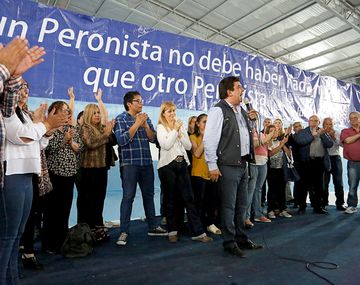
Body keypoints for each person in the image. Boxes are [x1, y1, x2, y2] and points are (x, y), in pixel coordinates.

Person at [0, 38, 63, 284]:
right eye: (19, 87)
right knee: (7, 237)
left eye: (25, 88)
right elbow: (20, 137)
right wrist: (45, 125)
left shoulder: (22, 113)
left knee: (15, 236)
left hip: (26, 175)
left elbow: (36, 144)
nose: (23, 91)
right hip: (12, 174)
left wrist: (44, 130)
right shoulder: (10, 112)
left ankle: (12, 278)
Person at [203, 76, 262, 258]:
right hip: (227, 165)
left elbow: (245, 136)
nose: (242, 90)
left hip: (243, 163)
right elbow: (209, 139)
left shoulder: (242, 111)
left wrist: (252, 120)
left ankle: (241, 238)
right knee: (228, 206)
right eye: (239, 87)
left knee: (242, 205)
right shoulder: (218, 110)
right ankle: (229, 242)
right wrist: (212, 165)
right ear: (229, 91)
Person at [114, 91, 167, 246]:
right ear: (129, 104)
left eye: (141, 100)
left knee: (149, 195)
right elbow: (121, 140)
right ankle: (124, 231)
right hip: (129, 164)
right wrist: (137, 124)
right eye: (138, 101)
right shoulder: (121, 119)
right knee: (128, 197)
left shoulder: (145, 118)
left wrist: (145, 126)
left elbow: (153, 138)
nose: (141, 103)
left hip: (146, 163)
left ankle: (152, 226)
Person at [157, 102, 212, 243]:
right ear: (163, 113)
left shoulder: (180, 127)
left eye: (174, 111)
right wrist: (175, 131)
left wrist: (180, 133)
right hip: (167, 166)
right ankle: (172, 231)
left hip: (182, 165)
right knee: (170, 199)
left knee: (189, 198)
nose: (172, 114)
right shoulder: (161, 127)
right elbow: (166, 145)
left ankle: (198, 233)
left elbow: (188, 146)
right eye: (169, 111)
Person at [79, 100, 114, 242]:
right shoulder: (85, 128)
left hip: (102, 169)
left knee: (99, 200)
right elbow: (90, 143)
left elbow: (110, 140)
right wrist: (106, 134)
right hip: (89, 170)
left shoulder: (101, 128)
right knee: (90, 201)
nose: (97, 115)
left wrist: (108, 132)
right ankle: (89, 230)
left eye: (98, 112)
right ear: (88, 114)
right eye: (94, 113)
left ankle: (98, 227)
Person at [293, 115, 333, 214]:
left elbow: (330, 144)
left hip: (319, 162)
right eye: (312, 120)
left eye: (316, 121)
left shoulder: (322, 131)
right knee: (304, 186)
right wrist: (313, 136)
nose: (314, 122)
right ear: (308, 122)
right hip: (306, 162)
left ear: (319, 122)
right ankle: (302, 207)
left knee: (319, 186)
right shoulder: (303, 132)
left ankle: (317, 207)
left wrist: (323, 135)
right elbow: (300, 141)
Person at [190, 113, 221, 235]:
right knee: (200, 202)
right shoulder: (193, 137)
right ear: (198, 124)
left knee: (212, 201)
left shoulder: (214, 138)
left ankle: (210, 223)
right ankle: (199, 226)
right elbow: (197, 153)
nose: (207, 124)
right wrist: (205, 138)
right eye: (204, 122)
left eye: (209, 122)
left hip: (212, 173)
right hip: (198, 174)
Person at [322, 117, 345, 211]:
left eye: (330, 124)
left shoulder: (337, 133)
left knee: (338, 182)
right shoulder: (321, 133)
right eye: (326, 124)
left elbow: (342, 145)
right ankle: (323, 203)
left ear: (333, 125)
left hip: (335, 158)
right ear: (323, 125)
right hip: (324, 159)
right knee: (324, 183)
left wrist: (333, 137)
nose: (328, 126)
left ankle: (340, 204)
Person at [340, 111, 360, 214]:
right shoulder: (345, 131)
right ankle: (352, 205)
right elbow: (347, 141)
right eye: (351, 118)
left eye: (355, 117)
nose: (353, 120)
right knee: (352, 185)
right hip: (353, 163)